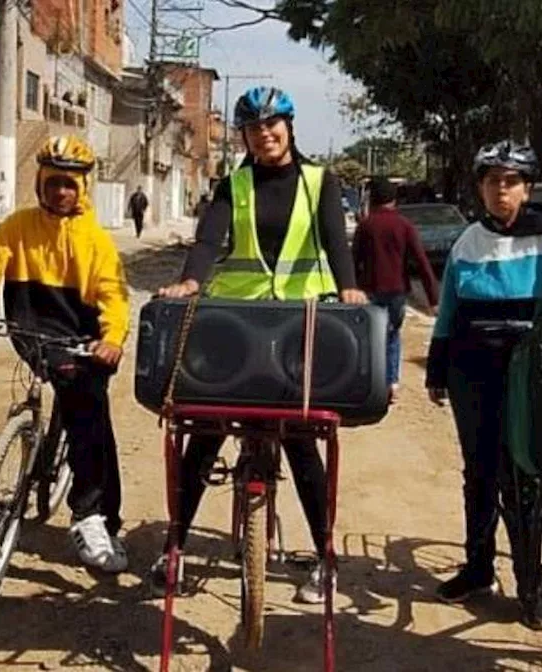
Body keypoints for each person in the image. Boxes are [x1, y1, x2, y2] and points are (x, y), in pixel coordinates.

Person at [155, 86, 367, 603]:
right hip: (242, 318)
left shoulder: (320, 181)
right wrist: (190, 281)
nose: (264, 135)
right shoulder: (235, 184)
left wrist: (349, 287)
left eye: (273, 125)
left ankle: (324, 558)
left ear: (290, 127)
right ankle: (175, 546)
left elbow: (335, 241)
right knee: (205, 429)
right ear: (245, 136)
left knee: (300, 438)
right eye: (253, 128)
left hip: (301, 322)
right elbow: (210, 239)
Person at [425, 140, 542, 630]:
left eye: (511, 181)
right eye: (491, 181)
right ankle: (478, 569)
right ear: (479, 187)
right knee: (478, 473)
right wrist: (437, 367)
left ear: (527, 188)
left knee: (520, 479)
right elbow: (448, 312)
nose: (500, 190)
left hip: (529, 369)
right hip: (471, 367)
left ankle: (531, 589)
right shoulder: (467, 242)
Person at [0, 135, 132, 573]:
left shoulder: (96, 241)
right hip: (33, 331)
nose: (60, 192)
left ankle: (95, 515)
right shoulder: (18, 226)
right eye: (53, 183)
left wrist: (111, 339)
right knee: (68, 393)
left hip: (84, 340)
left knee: (89, 413)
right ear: (40, 183)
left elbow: (113, 295)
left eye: (69, 184)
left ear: (83, 188)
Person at [352, 177, 439, 401]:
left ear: (373, 199)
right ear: (394, 199)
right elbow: (421, 262)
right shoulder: (404, 225)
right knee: (391, 336)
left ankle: (370, 382)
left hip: (369, 290)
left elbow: (354, 260)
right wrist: (433, 297)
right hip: (397, 291)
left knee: (370, 337)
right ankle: (391, 382)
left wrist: (349, 288)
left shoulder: (366, 226)